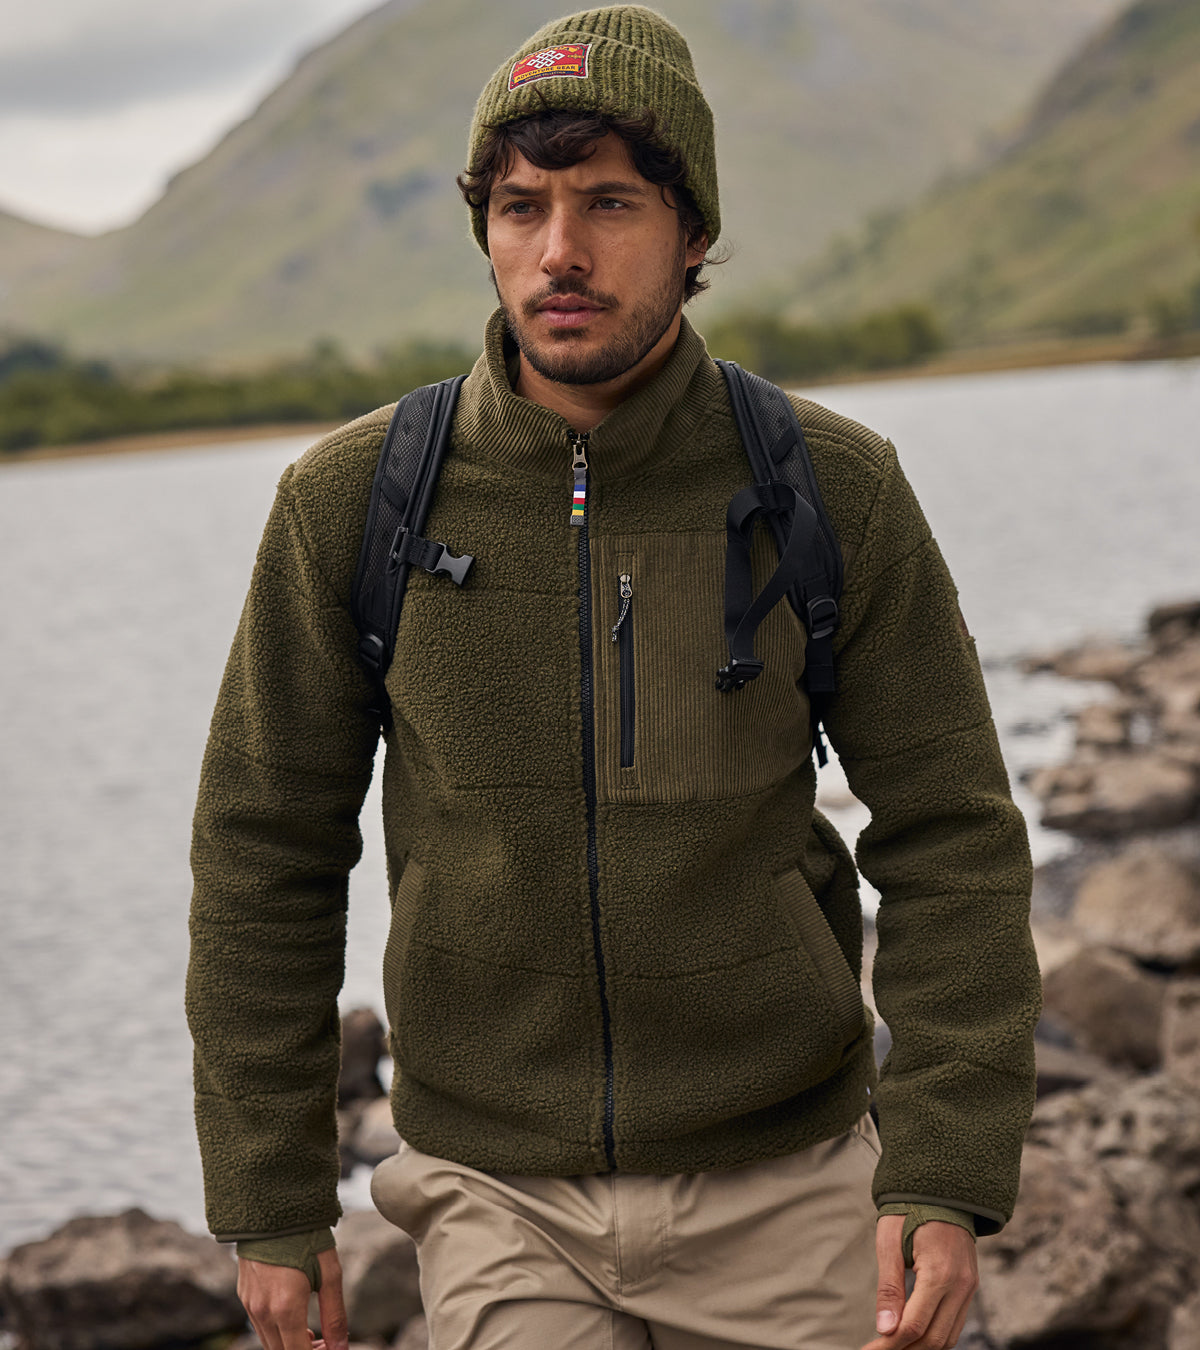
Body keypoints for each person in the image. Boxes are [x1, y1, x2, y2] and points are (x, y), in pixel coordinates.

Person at [186, 8, 1041, 1350]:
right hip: (497, 1199)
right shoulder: (354, 505)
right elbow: (263, 857)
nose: (559, 250)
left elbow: (955, 839)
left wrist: (944, 1164)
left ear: (691, 231)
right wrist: (269, 1195)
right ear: (484, 228)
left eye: (608, 203)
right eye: (520, 207)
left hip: (790, 1179)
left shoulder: (827, 487)